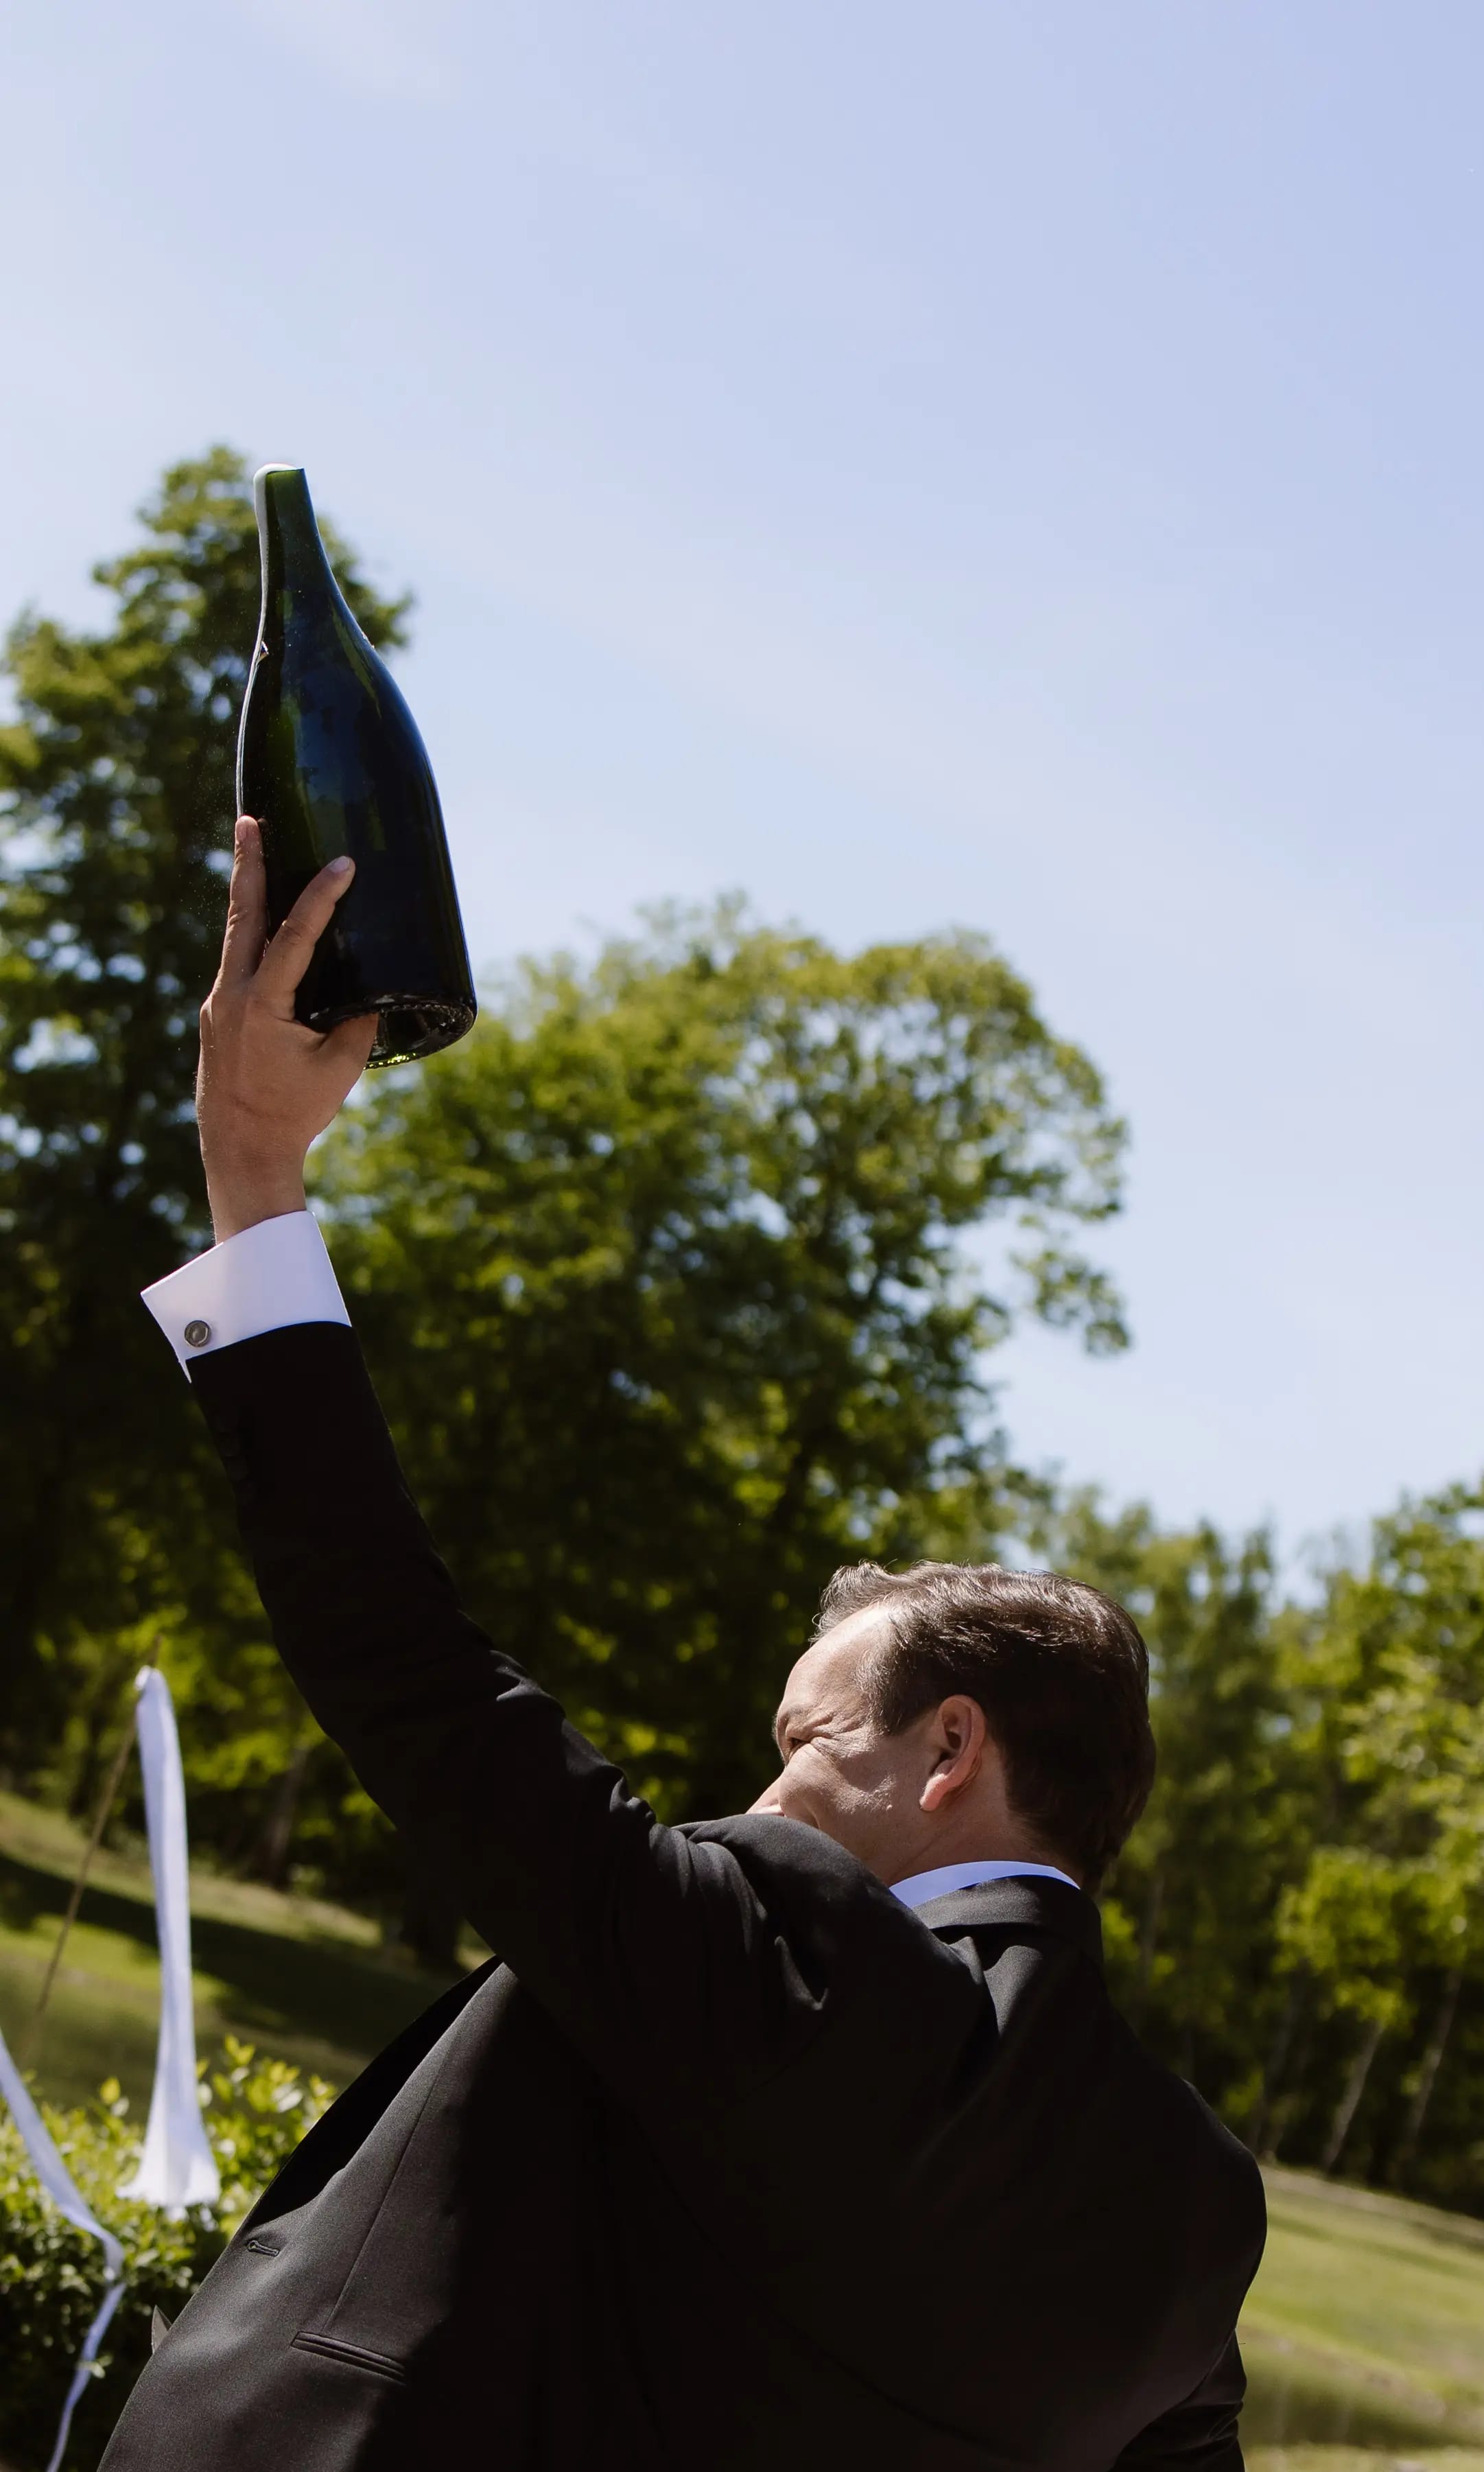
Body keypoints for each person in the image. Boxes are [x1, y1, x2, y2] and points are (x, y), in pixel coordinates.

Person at [102, 823, 1265, 2472]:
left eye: (805, 1735)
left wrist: (256, 1181)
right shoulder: (1193, 2213)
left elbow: (418, 1680)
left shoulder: (790, 1959)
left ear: (948, 1750)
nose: (759, 1793)